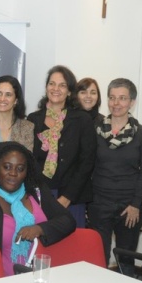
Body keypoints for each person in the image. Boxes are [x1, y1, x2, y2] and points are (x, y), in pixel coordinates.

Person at [0, 141, 76, 276]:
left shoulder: (37, 194)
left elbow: (68, 220)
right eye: (7, 167)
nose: (13, 174)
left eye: (20, 168)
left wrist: (40, 229)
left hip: (39, 277)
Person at [88, 78, 142, 275]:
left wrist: (135, 204)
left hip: (129, 206)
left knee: (126, 259)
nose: (116, 103)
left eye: (122, 98)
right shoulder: (95, 130)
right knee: (98, 257)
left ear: (132, 102)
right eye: (112, 98)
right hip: (99, 203)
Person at [28, 65, 96, 227]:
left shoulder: (82, 120)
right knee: (41, 245)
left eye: (62, 85)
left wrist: (67, 197)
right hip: (40, 196)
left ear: (70, 91)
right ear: (46, 88)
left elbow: (87, 162)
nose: (56, 89)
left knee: (71, 249)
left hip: (72, 197)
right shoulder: (33, 119)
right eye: (52, 84)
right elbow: (29, 160)